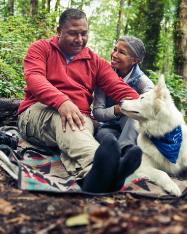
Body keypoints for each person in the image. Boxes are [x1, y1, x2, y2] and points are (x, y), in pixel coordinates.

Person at [17, 8, 142, 193]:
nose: (80, 39)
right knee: (66, 118)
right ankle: (108, 168)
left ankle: (93, 180)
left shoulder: (95, 61)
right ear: (59, 31)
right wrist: (61, 101)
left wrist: (149, 106)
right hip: (36, 113)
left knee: (75, 127)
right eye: (73, 34)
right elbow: (35, 79)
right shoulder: (40, 48)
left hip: (80, 119)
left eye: (84, 33)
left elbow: (119, 88)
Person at [92, 36, 154, 155]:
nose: (114, 55)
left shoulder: (142, 81)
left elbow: (152, 107)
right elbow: (98, 113)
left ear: (134, 60)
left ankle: (125, 152)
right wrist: (117, 109)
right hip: (110, 127)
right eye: (115, 49)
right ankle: (126, 148)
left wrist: (129, 108)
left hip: (135, 128)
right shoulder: (103, 77)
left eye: (121, 52)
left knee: (131, 110)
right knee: (101, 136)